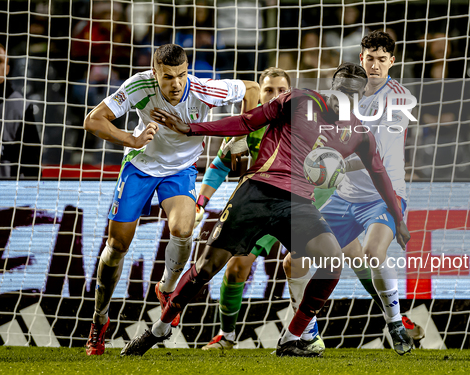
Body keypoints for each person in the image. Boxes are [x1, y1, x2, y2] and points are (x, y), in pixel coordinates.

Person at [120, 63, 411, 358]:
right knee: (208, 267)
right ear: (332, 86)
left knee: (332, 261)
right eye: (341, 89)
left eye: (353, 93)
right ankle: (158, 328)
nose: (345, 96)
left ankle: (291, 337)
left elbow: (380, 174)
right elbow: (247, 121)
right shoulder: (298, 100)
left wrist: (398, 220)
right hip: (257, 192)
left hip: (298, 204)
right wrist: (191, 127)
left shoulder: (359, 134)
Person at [82, 43, 259, 356]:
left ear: (187, 69)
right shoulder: (139, 86)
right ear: (155, 73)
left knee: (183, 230)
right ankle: (100, 319)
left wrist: (239, 137)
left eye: (181, 74)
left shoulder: (204, 89)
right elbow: (94, 120)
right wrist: (131, 139)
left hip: (180, 171)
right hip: (139, 167)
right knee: (117, 247)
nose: (176, 83)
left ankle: (166, 288)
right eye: (167, 77)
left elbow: (252, 88)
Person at [284, 30, 423, 355]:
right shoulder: (343, 95)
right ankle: (307, 332)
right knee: (294, 261)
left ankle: (395, 326)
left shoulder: (399, 100)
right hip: (343, 196)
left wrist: (333, 163)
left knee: (374, 253)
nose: (375, 65)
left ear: (392, 61)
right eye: (369, 58)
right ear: (361, 59)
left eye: (382, 60)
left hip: (383, 193)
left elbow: (380, 161)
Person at [195, 67, 326, 352]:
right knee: (235, 269)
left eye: (282, 91)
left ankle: (308, 334)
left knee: (298, 263)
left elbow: (328, 173)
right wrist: (200, 203)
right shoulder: (249, 126)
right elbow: (218, 168)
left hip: (295, 205)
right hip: (257, 203)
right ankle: (226, 337)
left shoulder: (306, 126)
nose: (275, 95)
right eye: (268, 90)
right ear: (259, 94)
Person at [0, 43, 41, 178]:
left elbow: (32, 163)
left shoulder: (21, 107)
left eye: (0, 61)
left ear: (7, 69)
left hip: (8, 193)